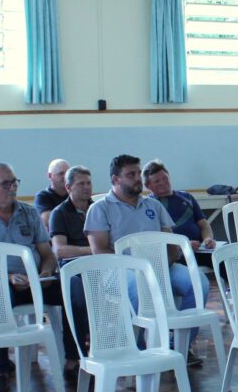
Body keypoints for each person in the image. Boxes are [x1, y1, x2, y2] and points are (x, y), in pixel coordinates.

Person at [0, 162, 71, 392]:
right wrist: (8, 277)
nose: (12, 188)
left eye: (14, 182)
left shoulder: (28, 213)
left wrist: (46, 271)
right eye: (6, 184)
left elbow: (46, 252)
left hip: (35, 280)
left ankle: (73, 358)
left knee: (74, 290)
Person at [86, 154, 209, 366]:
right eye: (130, 175)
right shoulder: (100, 208)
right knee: (140, 288)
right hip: (120, 272)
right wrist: (139, 268)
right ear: (116, 179)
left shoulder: (153, 206)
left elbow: (170, 244)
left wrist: (162, 265)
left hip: (159, 267)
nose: (137, 179)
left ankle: (180, 347)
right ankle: (144, 351)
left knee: (199, 284)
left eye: (138, 173)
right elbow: (99, 251)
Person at [48, 165, 94, 369]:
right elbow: (60, 251)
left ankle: (110, 343)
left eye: (89, 183)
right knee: (75, 289)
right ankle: (74, 355)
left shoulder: (98, 208)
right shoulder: (59, 213)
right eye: (81, 184)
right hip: (72, 268)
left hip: (100, 265)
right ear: (68, 187)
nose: (86, 187)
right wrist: (93, 250)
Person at [142, 159, 217, 261]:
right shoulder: (149, 205)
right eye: (157, 181)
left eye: (165, 178)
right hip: (175, 255)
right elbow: (155, 239)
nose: (163, 183)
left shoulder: (187, 197)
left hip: (201, 250)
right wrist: (183, 245)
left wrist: (208, 239)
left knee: (229, 260)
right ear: (148, 186)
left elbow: (204, 225)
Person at [33, 158, 71, 227]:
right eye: (61, 173)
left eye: (68, 173)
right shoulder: (43, 196)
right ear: (50, 176)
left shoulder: (75, 194)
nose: (66, 177)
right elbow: (49, 222)